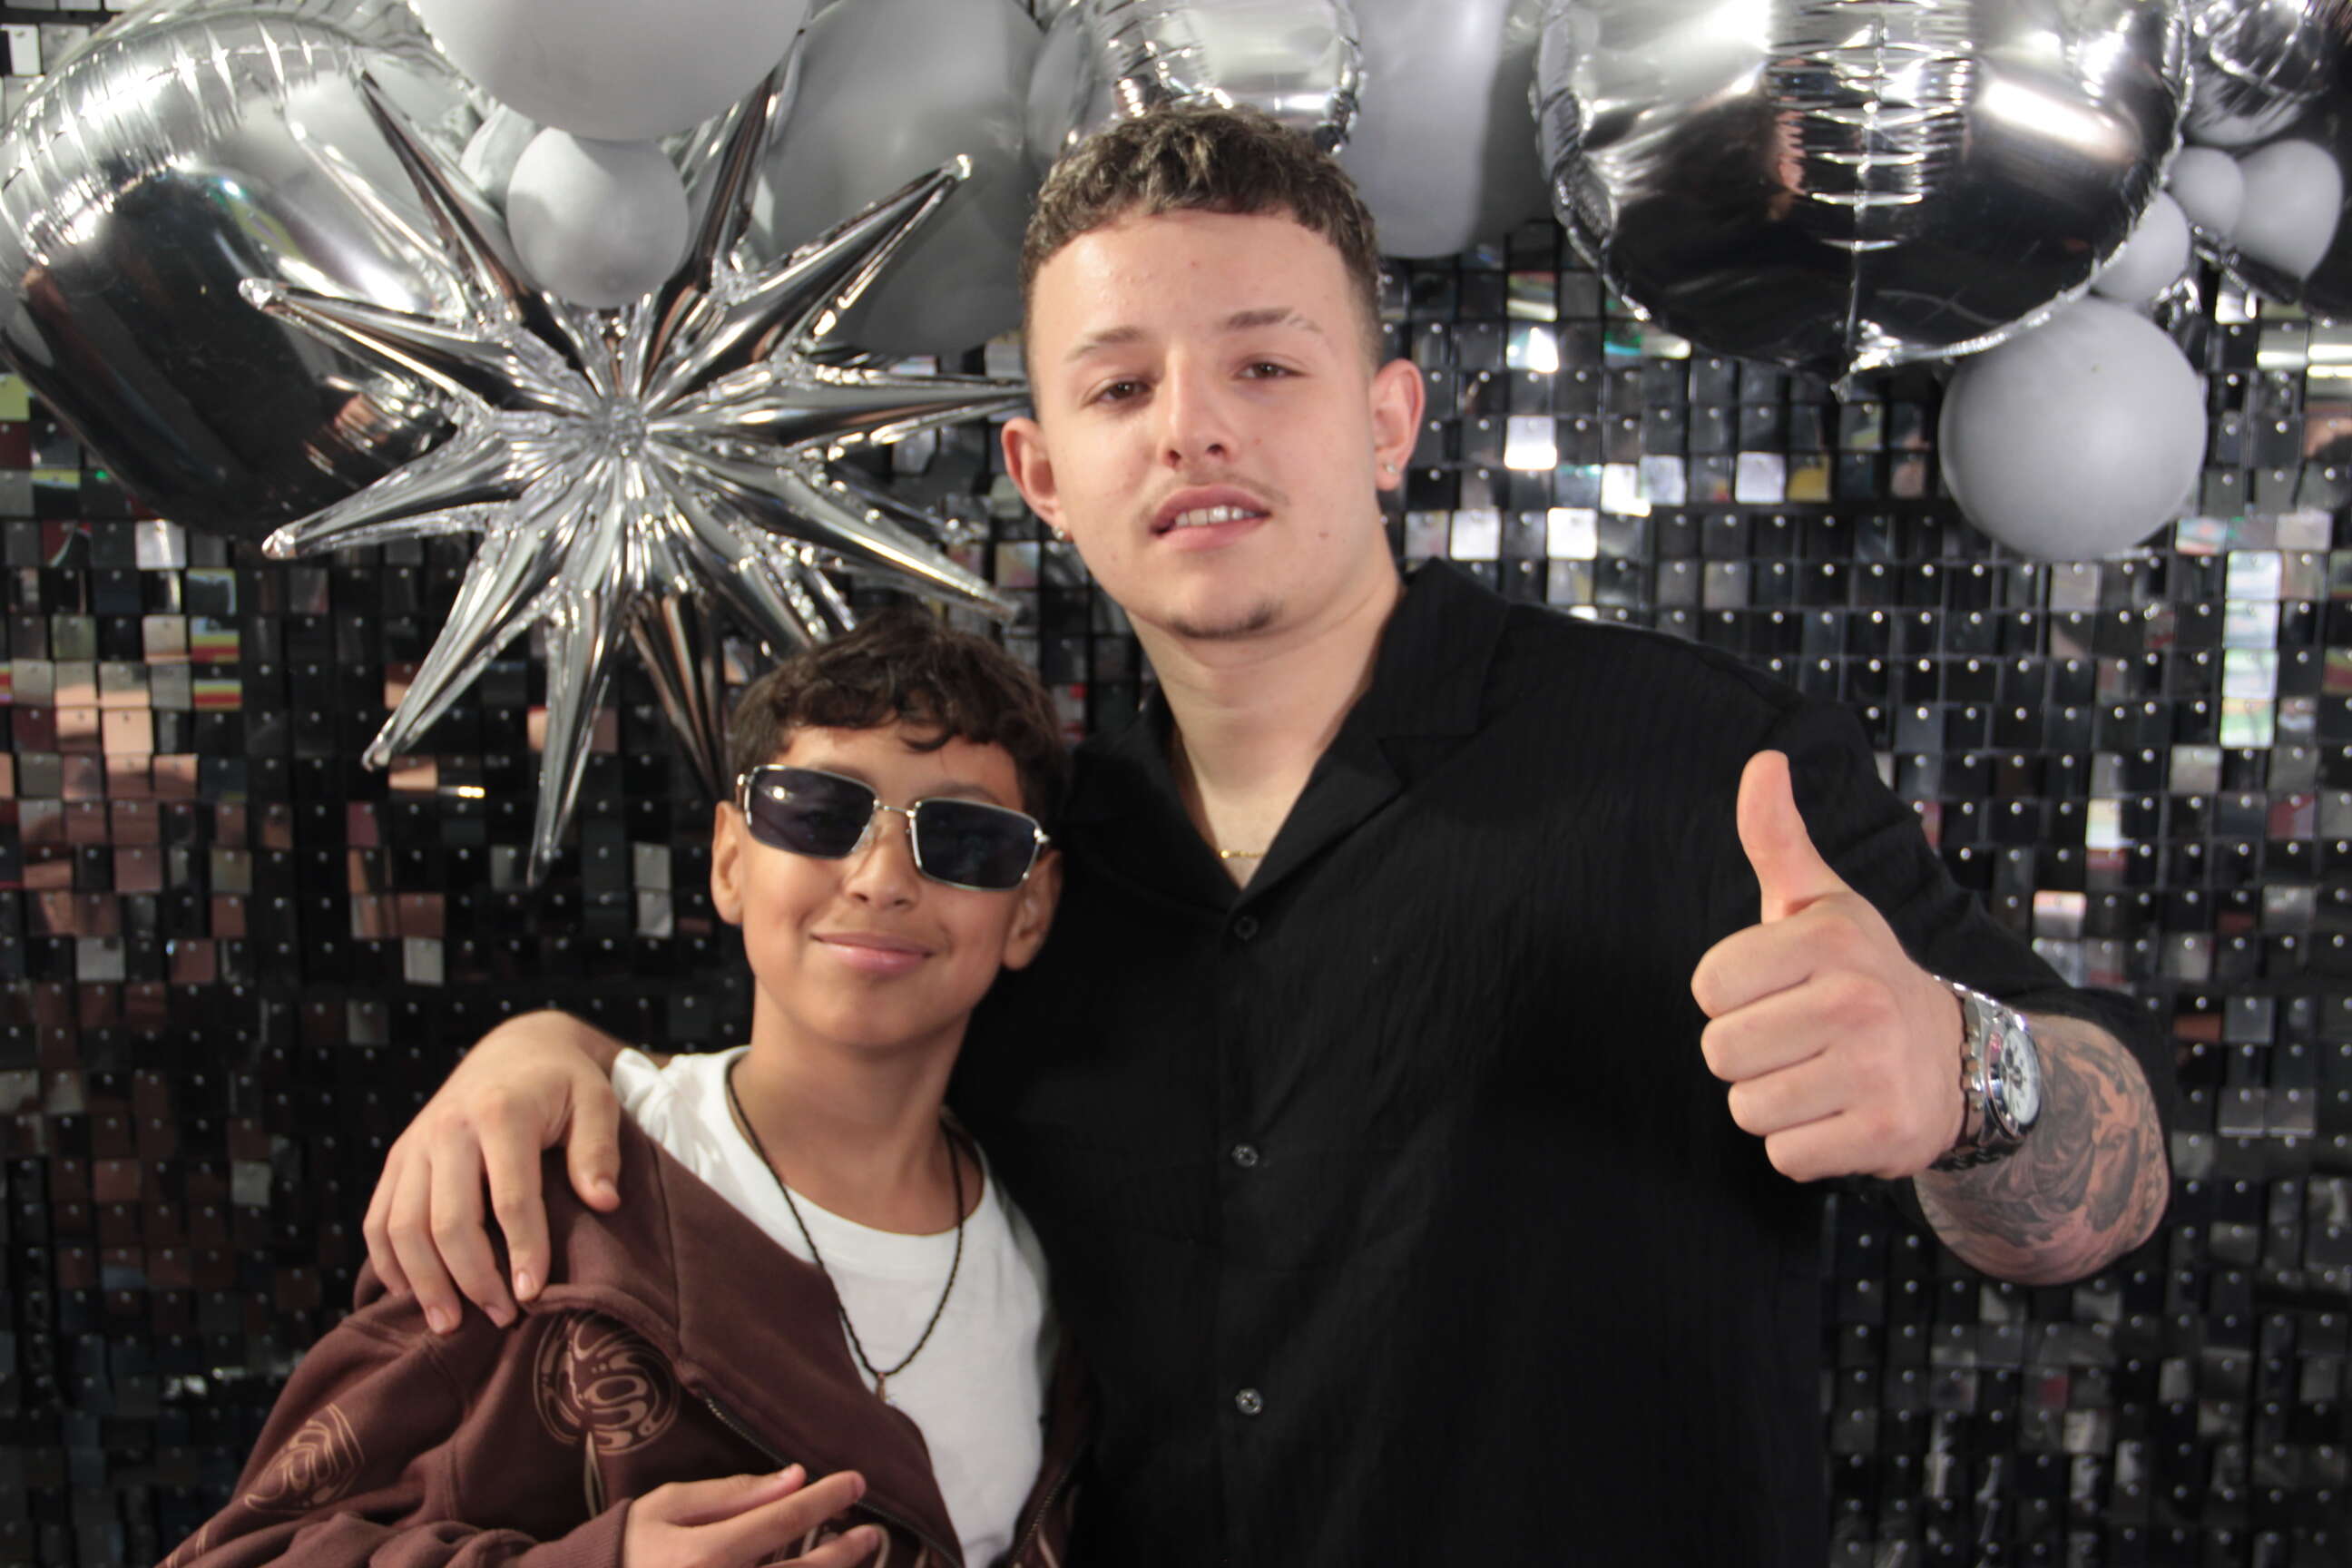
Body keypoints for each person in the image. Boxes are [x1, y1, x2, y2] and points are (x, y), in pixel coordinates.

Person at [359, 108, 2171, 1565]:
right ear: (1044, 477)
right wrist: (557, 1053)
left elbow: (2116, 1178)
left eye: (1265, 367)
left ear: (1388, 421)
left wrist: (1969, 1071)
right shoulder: (1023, 865)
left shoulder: (1701, 762)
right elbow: (812, 1080)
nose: (1194, 430)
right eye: (1119, 385)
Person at [162, 611, 1083, 1568]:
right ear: (731, 860)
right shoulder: (544, 1192)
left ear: (1030, 908)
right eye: (818, 812)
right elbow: (246, 1550)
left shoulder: (1064, 1264)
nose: (880, 878)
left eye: (966, 839)